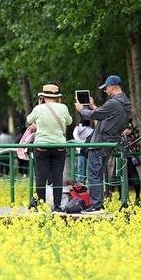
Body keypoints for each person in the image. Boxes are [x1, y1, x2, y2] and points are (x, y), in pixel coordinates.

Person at [75, 75, 132, 213]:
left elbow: (92, 115)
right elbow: (106, 115)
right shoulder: (125, 103)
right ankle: (98, 203)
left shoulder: (113, 103)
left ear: (112, 87)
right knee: (98, 174)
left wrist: (81, 109)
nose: (105, 91)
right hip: (109, 143)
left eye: (106, 88)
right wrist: (94, 106)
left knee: (94, 174)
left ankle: (96, 206)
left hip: (99, 143)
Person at [26, 83, 72, 211]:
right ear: (57, 96)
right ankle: (57, 205)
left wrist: (40, 105)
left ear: (43, 96)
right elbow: (69, 121)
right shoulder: (63, 107)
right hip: (59, 146)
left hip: (41, 146)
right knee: (57, 176)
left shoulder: (39, 108)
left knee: (41, 176)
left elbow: (29, 119)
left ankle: (41, 205)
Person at [72, 117, 93, 183]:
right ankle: (84, 182)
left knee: (81, 167)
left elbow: (76, 138)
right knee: (84, 167)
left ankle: (81, 182)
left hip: (82, 150)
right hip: (86, 150)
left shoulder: (77, 128)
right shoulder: (90, 130)